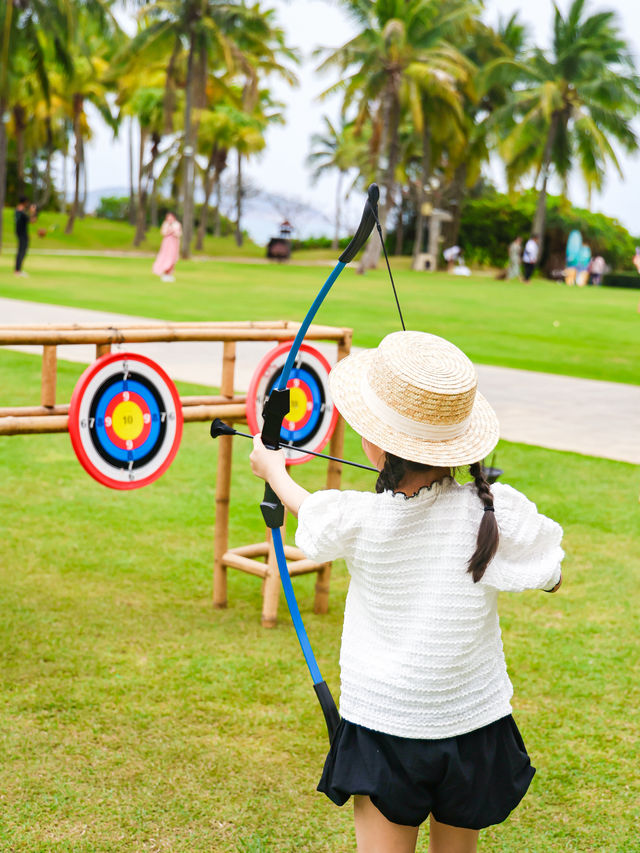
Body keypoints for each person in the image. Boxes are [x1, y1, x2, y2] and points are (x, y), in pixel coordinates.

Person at [250, 330, 564, 853]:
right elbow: (551, 572)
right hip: (472, 724)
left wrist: (273, 468)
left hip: (385, 727)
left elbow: (314, 511)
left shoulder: (361, 518)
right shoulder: (492, 511)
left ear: (376, 442)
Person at [152, 212, 182, 282]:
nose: (169, 219)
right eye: (168, 218)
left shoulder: (177, 224)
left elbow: (179, 234)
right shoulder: (165, 224)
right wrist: (169, 231)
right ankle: (165, 273)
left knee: (172, 259)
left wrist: (174, 232)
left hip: (174, 243)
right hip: (167, 244)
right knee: (166, 258)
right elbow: (163, 233)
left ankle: (169, 274)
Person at [14, 197, 36, 277]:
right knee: (22, 252)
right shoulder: (22, 213)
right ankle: (18, 271)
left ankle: (17, 270)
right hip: (23, 234)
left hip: (19, 233)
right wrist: (32, 212)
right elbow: (32, 221)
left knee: (20, 251)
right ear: (24, 202)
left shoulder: (16, 211)